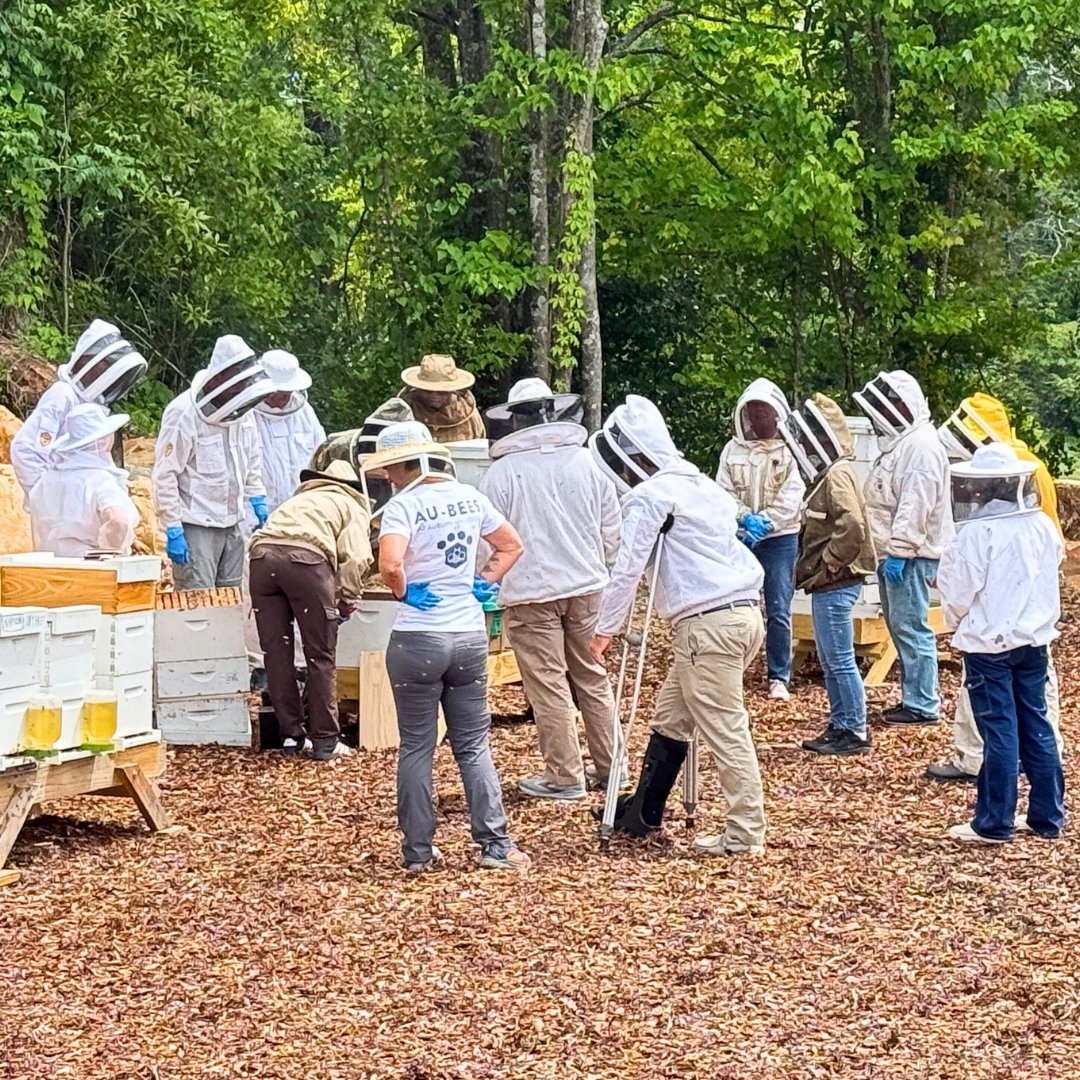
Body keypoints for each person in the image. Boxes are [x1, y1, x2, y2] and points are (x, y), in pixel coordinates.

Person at [589, 395, 767, 856]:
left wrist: (604, 629)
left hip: (706, 625)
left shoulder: (652, 495)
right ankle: (644, 809)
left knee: (725, 725)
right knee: (672, 714)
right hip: (742, 615)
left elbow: (628, 567)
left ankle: (745, 831)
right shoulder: (700, 484)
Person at [364, 421, 530, 874]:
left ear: (403, 465)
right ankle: (495, 844)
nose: (388, 478)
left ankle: (418, 852)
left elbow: (391, 563)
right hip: (469, 635)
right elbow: (511, 544)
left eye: (390, 469)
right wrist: (484, 581)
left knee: (417, 747)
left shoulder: (403, 507)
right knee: (474, 745)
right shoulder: (471, 497)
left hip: (419, 635)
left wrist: (401, 591)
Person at [480, 378, 622, 799]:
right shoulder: (587, 463)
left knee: (548, 683)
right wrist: (604, 568)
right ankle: (612, 767)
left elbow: (484, 537)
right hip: (587, 587)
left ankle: (565, 775)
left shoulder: (502, 473)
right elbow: (611, 529)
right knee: (592, 677)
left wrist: (485, 578)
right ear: (550, 412)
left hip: (530, 593)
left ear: (515, 418)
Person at [928, 392, 1065, 781]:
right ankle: (1033, 781)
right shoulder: (1022, 474)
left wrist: (962, 620)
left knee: (1010, 716)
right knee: (1024, 703)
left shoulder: (1027, 473)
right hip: (1021, 612)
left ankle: (995, 790)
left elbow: (1041, 550)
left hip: (1008, 610)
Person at [249, 459, 373, 760]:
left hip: (261, 559)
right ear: (354, 488)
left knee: (277, 653)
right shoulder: (349, 504)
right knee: (320, 655)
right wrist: (347, 598)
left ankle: (291, 737)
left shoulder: (298, 500)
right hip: (306, 562)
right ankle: (326, 741)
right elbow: (356, 558)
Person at [855, 370, 953, 725]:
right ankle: (915, 698)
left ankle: (924, 704)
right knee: (902, 628)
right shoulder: (903, 444)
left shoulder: (921, 447)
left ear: (904, 405)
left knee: (911, 628)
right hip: (896, 553)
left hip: (911, 555)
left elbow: (916, 505)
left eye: (892, 404)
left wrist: (900, 550)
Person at [781, 394, 876, 755]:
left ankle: (853, 729)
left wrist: (834, 560)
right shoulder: (833, 473)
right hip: (829, 582)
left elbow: (852, 523)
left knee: (837, 658)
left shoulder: (837, 475)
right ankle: (841, 724)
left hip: (838, 580)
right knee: (830, 656)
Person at [151, 335, 274, 590]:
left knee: (230, 603)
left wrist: (258, 498)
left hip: (234, 524)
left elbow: (251, 459)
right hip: (196, 526)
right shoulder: (183, 413)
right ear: (219, 378)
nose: (241, 391)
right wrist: (173, 528)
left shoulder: (242, 410)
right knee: (198, 605)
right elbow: (165, 474)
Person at [716, 378, 805, 700]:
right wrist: (744, 518)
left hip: (780, 537)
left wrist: (766, 522)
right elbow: (722, 491)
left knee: (778, 607)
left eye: (763, 412)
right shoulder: (732, 450)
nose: (757, 419)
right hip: (742, 537)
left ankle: (778, 676)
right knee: (735, 604)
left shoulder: (792, 450)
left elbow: (794, 494)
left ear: (776, 415)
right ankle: (733, 668)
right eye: (752, 413)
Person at [12, 319, 147, 500]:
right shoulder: (63, 395)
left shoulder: (93, 404)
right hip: (62, 509)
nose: (108, 370)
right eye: (105, 363)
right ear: (85, 361)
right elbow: (26, 450)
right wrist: (47, 501)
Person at [27, 402, 139, 557]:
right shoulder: (100, 481)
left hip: (48, 568)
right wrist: (109, 550)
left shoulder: (46, 481)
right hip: (91, 569)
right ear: (102, 440)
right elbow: (118, 521)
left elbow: (34, 522)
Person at [251, 350, 326, 512]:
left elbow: (322, 456)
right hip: (255, 512)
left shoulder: (305, 413)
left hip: (300, 509)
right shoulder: (246, 415)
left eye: (284, 395)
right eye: (274, 394)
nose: (279, 401)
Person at [400, 353, 484, 443]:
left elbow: (481, 447)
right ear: (419, 388)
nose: (434, 396)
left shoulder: (467, 413)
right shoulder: (402, 410)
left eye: (441, 392)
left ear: (452, 390)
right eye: (428, 391)